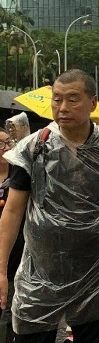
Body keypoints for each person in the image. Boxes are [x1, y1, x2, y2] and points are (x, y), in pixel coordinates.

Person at [0, 69, 99, 342]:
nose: (63, 107)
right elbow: (13, 211)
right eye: (57, 99)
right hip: (41, 273)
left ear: (93, 102)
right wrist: (1, 269)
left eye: (73, 99)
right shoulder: (34, 148)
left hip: (95, 271)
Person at [0, 129, 18, 343]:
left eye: (8, 142)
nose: (5, 148)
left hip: (14, 248)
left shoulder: (19, 174)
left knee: (10, 304)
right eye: (0, 144)